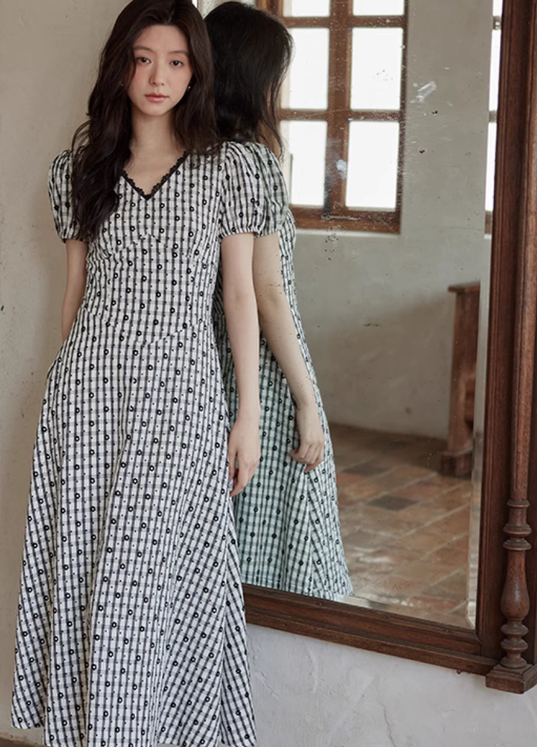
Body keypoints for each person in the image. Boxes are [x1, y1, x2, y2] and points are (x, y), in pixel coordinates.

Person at [11, 2, 274, 747]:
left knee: (133, 594)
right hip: (86, 397)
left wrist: (246, 411)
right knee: (87, 587)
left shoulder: (230, 166)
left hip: (179, 402)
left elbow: (238, 295)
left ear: (197, 71)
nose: (159, 77)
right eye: (143, 58)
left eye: (177, 61)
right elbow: (75, 295)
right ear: (120, 65)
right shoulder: (80, 169)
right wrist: (62, 400)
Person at [207, 1, 352, 600]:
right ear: (253, 78)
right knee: (292, 520)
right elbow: (267, 294)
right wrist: (306, 398)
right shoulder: (252, 162)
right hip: (261, 368)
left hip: (209, 363)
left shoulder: (191, 156)